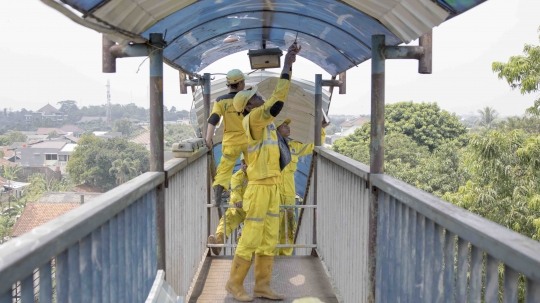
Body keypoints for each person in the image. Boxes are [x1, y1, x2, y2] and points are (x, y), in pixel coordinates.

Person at [226, 42, 301, 302]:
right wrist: (287, 67)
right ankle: (234, 284)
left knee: (269, 237)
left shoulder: (265, 123)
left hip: (272, 187)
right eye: (256, 96)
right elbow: (277, 103)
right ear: (248, 105)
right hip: (258, 188)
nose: (260, 97)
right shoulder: (255, 118)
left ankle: (262, 286)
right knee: (252, 236)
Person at [275, 118, 329, 256]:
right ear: (275, 129)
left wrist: (321, 129)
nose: (288, 128)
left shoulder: (293, 146)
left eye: (288, 126)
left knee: (288, 224)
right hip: (273, 190)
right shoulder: (268, 146)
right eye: (284, 126)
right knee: (273, 225)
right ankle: (271, 256)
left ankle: (285, 255)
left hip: (289, 191)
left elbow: (312, 147)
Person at [206, 69, 249, 204]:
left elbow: (214, 118)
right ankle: (254, 195)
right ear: (241, 83)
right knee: (253, 167)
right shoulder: (247, 97)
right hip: (249, 140)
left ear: (228, 84)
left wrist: (208, 139)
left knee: (224, 169)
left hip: (230, 142)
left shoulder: (221, 101)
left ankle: (217, 196)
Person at [207, 157, 248, 255]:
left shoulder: (257, 178)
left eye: (247, 162)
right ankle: (218, 244)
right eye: (243, 162)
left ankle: (244, 251)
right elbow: (235, 190)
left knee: (251, 229)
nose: (244, 165)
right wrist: (238, 200)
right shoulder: (236, 176)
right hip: (238, 209)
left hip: (252, 210)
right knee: (226, 222)